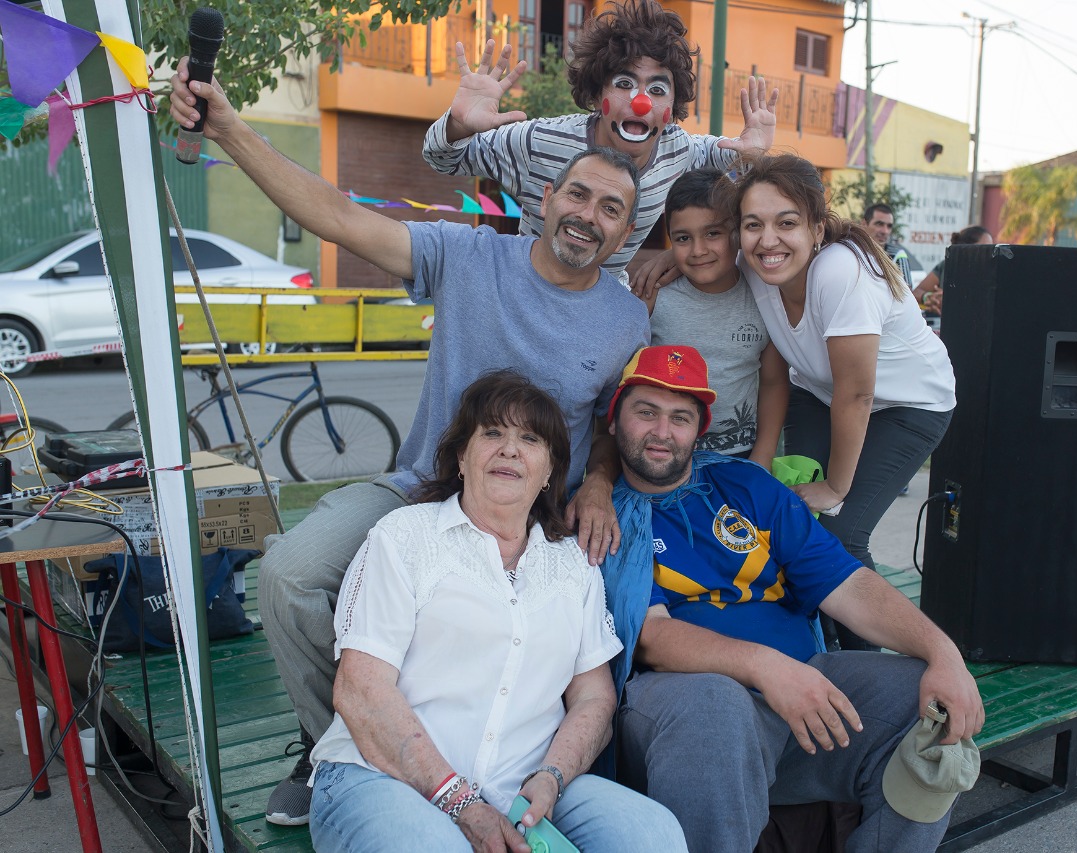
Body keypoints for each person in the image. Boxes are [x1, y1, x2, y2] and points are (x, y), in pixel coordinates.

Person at [169, 67, 651, 824]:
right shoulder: (467, 256)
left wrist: (595, 482)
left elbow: (614, 424)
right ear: (546, 198)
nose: (589, 215)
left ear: (626, 232)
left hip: (532, 517)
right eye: (579, 195)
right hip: (422, 487)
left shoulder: (627, 320)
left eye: (611, 209)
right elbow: (338, 217)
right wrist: (228, 127)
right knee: (289, 575)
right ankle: (338, 739)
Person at [596, 345, 983, 853]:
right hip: (686, 710)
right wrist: (766, 667)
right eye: (646, 412)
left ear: (699, 429)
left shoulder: (746, 485)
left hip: (800, 693)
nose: (663, 432)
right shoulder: (604, 515)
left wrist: (944, 654)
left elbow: (848, 584)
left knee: (925, 700)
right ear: (614, 420)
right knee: (714, 707)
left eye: (680, 417)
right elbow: (652, 637)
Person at [308, 371, 687, 852]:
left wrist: (552, 776)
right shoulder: (404, 537)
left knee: (654, 835)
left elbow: (594, 696)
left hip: (522, 791)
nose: (509, 450)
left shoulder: (572, 565)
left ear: (549, 472)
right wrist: (459, 802)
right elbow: (361, 689)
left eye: (529, 439)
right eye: (492, 433)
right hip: (385, 778)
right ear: (461, 457)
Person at [732, 154, 957, 652]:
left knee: (842, 532)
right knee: (795, 522)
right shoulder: (754, 266)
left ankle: (871, 668)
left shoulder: (840, 271)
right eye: (753, 225)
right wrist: (761, 462)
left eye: (786, 223)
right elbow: (775, 372)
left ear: (816, 227)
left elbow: (858, 393)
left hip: (908, 403)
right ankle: (822, 651)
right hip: (819, 392)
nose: (767, 240)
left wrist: (835, 487)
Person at [423, 0, 778, 283]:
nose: (641, 102)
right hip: (527, 291)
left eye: (657, 90)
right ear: (596, 94)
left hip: (604, 304)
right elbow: (444, 158)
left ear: (672, 108)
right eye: (624, 84)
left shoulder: (679, 150)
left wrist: (753, 153)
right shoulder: (538, 142)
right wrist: (458, 125)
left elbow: (734, 166)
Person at [643, 167, 789, 460]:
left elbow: (774, 383)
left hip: (739, 455)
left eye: (713, 233)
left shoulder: (764, 295)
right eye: (683, 238)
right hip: (663, 455)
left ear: (738, 231)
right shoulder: (654, 297)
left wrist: (762, 457)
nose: (698, 250)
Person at [911, 224, 994, 314]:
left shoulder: (992, 272)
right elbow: (916, 293)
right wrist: (929, 297)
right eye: (987, 248)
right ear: (967, 248)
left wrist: (951, 299)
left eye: (992, 248)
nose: (991, 253)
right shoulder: (946, 266)